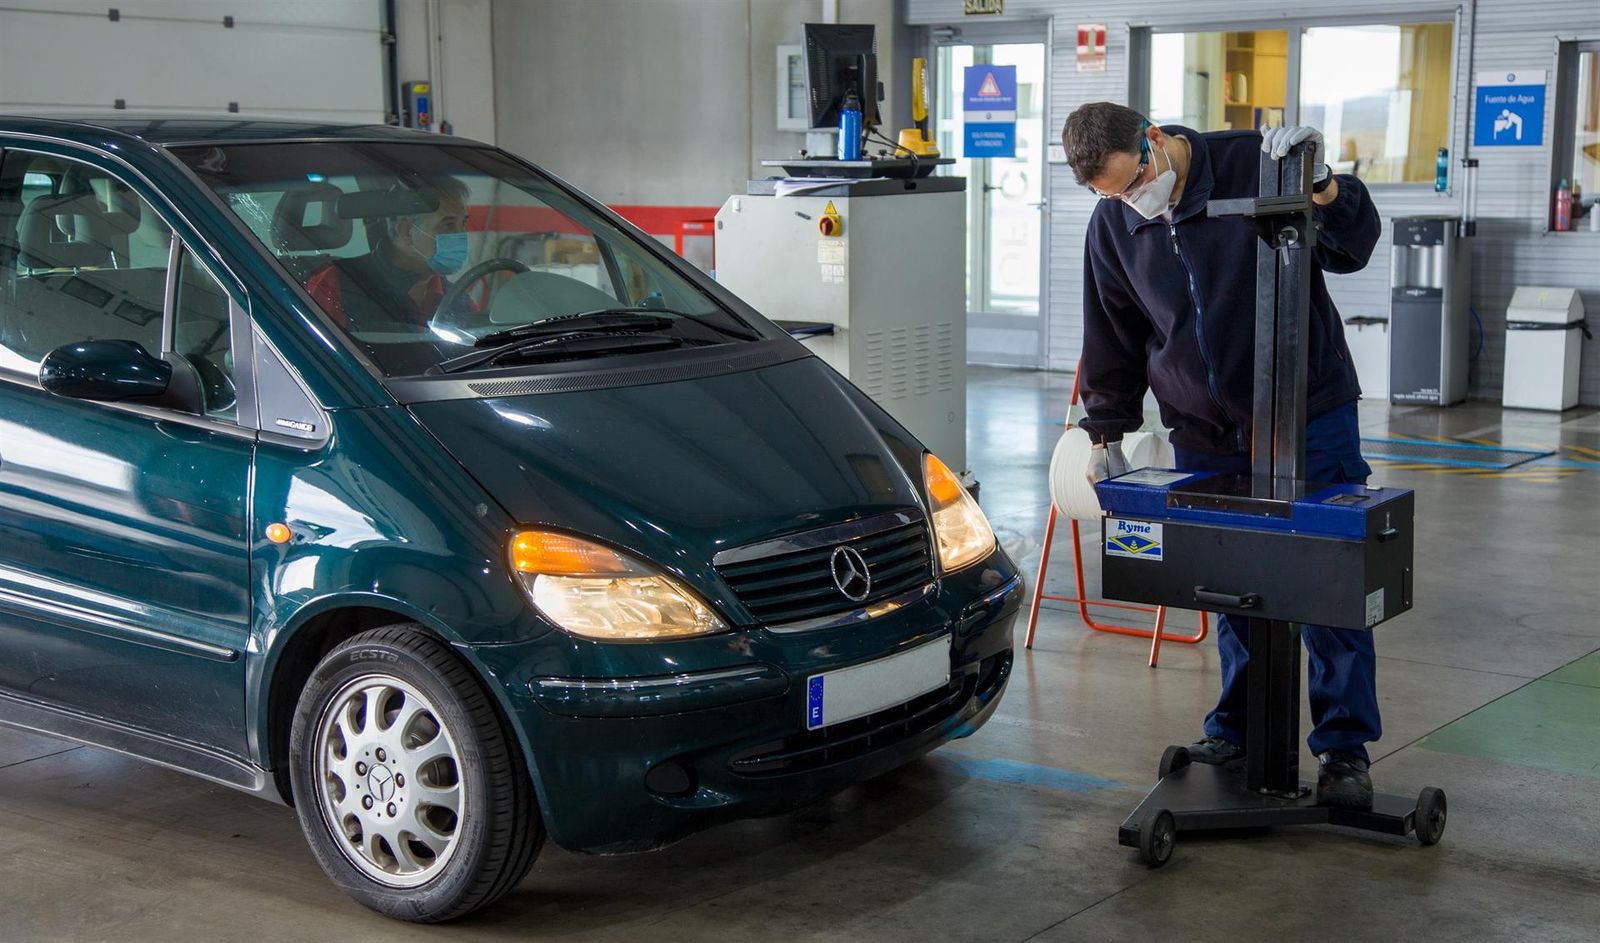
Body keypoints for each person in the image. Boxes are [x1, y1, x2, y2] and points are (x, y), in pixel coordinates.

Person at [1060, 102, 1382, 808]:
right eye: (1107, 194)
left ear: (1153, 138)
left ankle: (1344, 747)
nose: (1128, 200)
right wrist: (1105, 435)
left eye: (1131, 180)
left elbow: (1353, 245)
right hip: (1202, 428)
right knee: (1233, 579)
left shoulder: (1253, 161)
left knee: (1330, 579)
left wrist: (1323, 181)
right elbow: (1113, 335)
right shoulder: (1115, 220)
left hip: (1308, 411)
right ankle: (1237, 730)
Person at [306, 176, 472, 329]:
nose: (461, 234)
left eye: (463, 223)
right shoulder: (336, 283)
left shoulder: (458, 298)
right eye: (448, 225)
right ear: (406, 231)